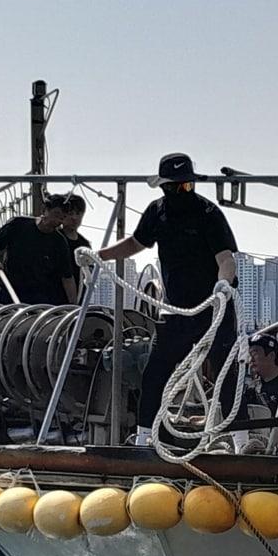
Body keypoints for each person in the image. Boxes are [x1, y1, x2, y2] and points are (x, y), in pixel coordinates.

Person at [99, 153, 238, 445]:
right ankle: (144, 437)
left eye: (187, 186)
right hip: (176, 311)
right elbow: (136, 243)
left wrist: (223, 284)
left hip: (213, 308)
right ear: (164, 187)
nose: (182, 191)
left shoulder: (208, 213)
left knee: (226, 372)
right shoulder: (157, 212)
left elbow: (226, 258)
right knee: (155, 373)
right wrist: (101, 256)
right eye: (175, 186)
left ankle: (241, 438)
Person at [0, 194, 79, 306]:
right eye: (56, 214)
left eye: (63, 217)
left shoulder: (59, 242)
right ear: (44, 210)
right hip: (10, 293)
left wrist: (73, 305)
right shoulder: (18, 224)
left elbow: (67, 277)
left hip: (40, 300)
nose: (58, 220)